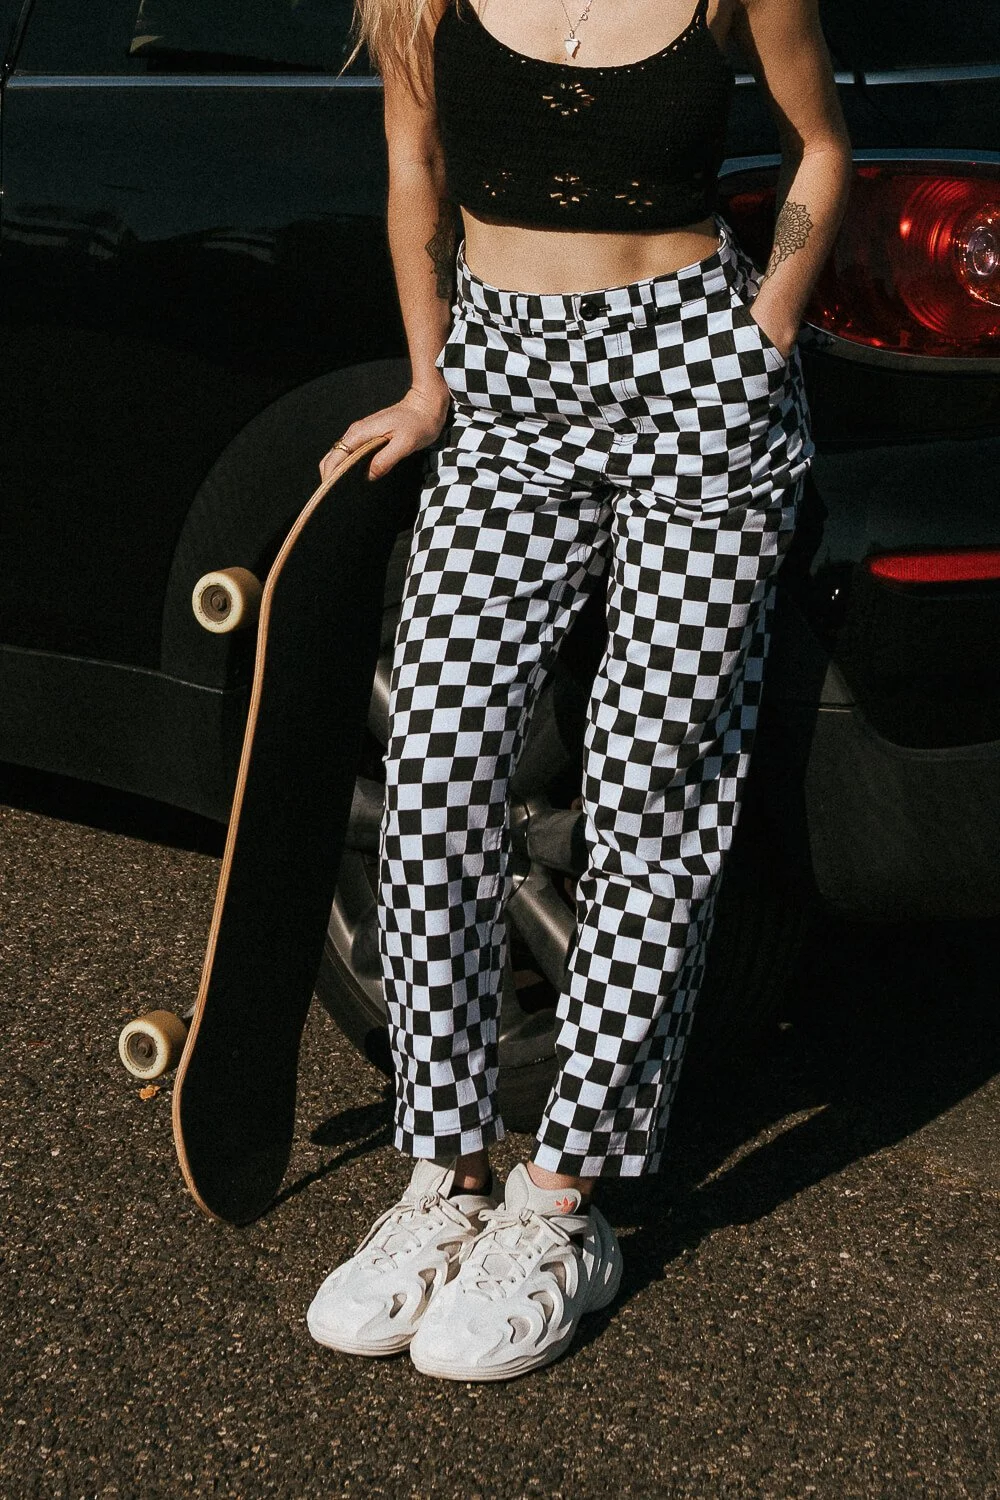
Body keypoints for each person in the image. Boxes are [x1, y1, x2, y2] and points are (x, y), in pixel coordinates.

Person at [306, 0, 852, 1381]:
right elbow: (416, 173)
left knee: (650, 786)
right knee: (434, 773)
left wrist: (764, 335)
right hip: (505, 395)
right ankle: (441, 1177)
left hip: (697, 386)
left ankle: (564, 1204)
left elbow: (818, 148)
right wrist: (430, 383)